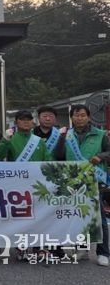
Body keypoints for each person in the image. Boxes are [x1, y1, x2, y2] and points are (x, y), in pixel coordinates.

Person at [54, 104, 110, 267]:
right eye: (76, 115)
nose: (79, 118)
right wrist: (61, 138)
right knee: (77, 215)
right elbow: (58, 156)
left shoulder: (100, 134)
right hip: (72, 181)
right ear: (71, 118)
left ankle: (103, 252)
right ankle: (81, 247)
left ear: (88, 117)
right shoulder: (67, 135)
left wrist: (101, 156)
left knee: (99, 217)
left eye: (83, 115)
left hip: (94, 180)